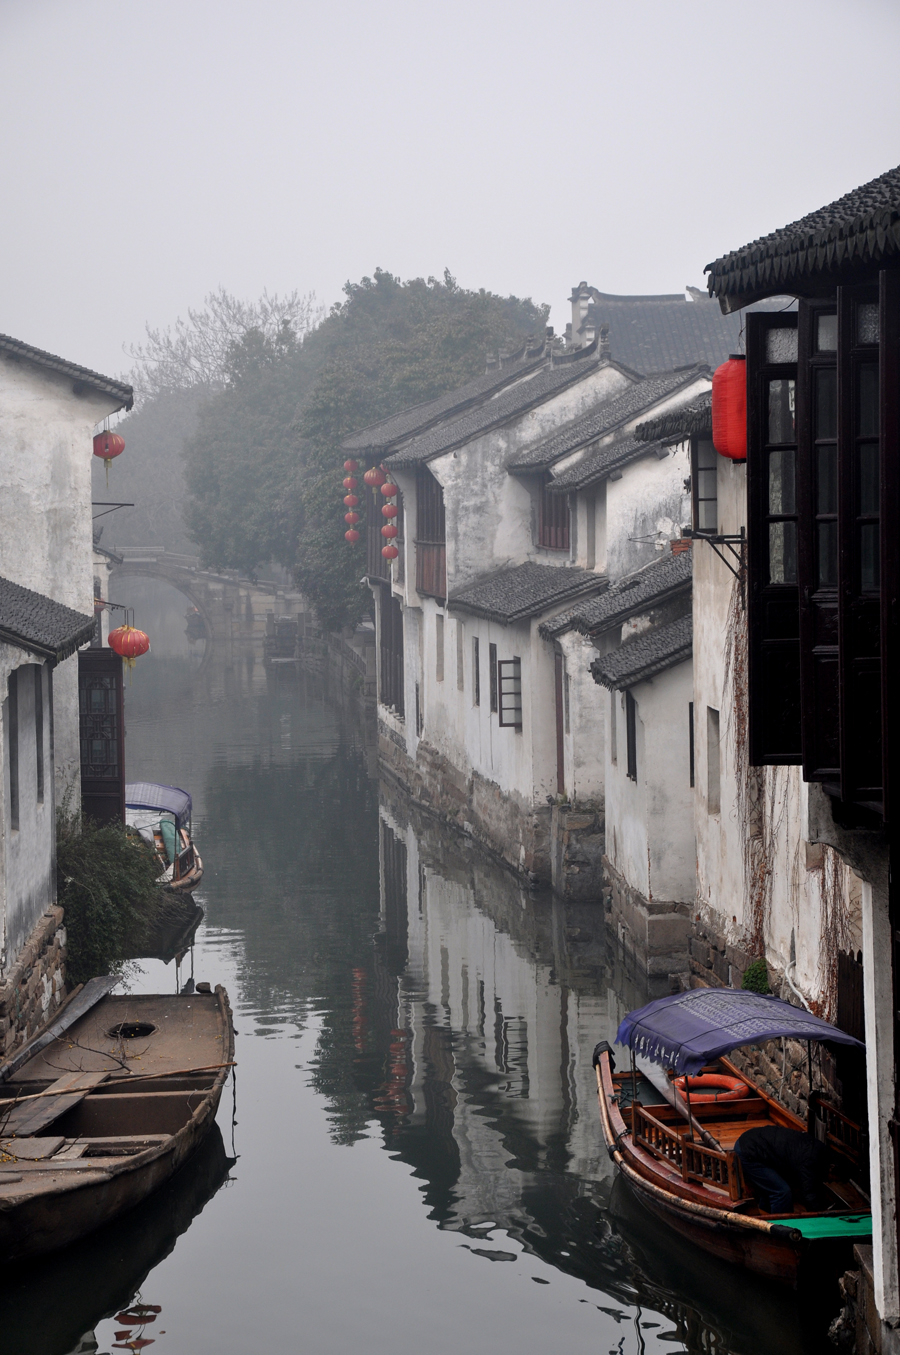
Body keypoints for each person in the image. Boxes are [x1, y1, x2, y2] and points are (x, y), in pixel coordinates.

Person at [733, 1125, 829, 1214]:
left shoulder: (816, 1149)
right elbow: (809, 1191)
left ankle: (765, 1214)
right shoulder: (810, 1158)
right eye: (834, 1179)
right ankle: (782, 1227)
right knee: (781, 1192)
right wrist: (818, 1215)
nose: (832, 1181)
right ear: (831, 1167)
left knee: (772, 1185)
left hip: (753, 1144)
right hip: (749, 1151)